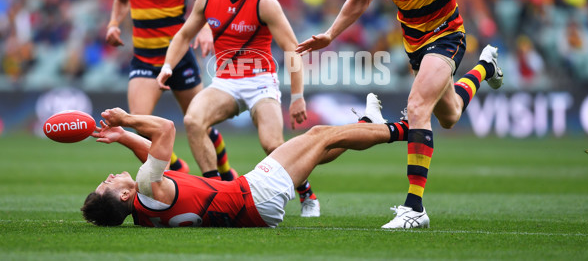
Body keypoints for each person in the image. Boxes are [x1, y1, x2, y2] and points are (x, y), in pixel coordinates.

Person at [297, 0, 588, 229]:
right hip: (415, 46)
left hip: (447, 35)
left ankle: (415, 208)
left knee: (418, 106)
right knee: (449, 115)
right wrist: (330, 33)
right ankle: (485, 69)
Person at [156, 0, 319, 217]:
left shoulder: (265, 2)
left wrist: (298, 97)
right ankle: (215, 189)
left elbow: (292, 50)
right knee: (193, 121)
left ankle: (307, 193)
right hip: (225, 82)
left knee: (272, 144)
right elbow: (184, 35)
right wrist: (167, 66)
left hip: (260, 83)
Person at [81, 94, 400, 227]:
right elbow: (166, 128)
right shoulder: (149, 187)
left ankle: (365, 125)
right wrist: (127, 119)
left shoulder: (144, 213)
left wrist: (123, 136)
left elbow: (163, 164)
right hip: (254, 193)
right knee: (321, 135)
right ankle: (398, 130)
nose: (109, 176)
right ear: (124, 195)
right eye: (107, 183)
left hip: (253, 205)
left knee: (318, 140)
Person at [105, 0, 235, 179]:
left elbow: (209, 0)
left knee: (200, 123)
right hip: (143, 59)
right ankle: (177, 169)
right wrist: (114, 23)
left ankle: (224, 172)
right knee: (141, 124)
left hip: (178, 58)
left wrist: (206, 30)